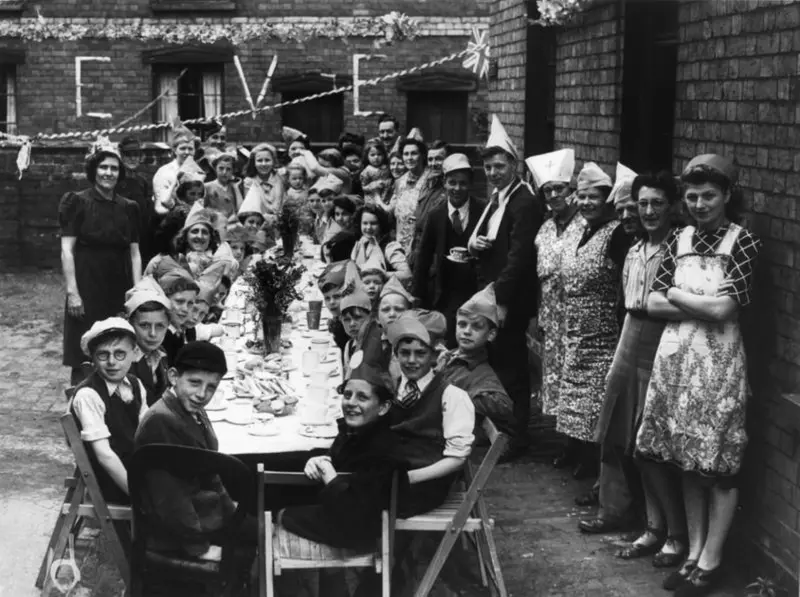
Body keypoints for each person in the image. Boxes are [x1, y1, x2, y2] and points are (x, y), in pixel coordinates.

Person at [636, 155, 761, 596]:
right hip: (676, 362)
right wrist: (692, 299)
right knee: (686, 459)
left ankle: (713, 558)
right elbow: (650, 305)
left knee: (719, 463)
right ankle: (692, 552)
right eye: (691, 196)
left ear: (727, 194)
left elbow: (726, 309)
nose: (699, 203)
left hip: (719, 364)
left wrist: (673, 291)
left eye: (709, 195)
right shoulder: (679, 237)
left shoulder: (741, 242)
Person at [582, 171, 687, 565]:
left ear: (672, 206)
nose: (648, 211)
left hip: (662, 344)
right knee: (622, 437)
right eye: (642, 203)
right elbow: (629, 305)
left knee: (653, 445)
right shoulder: (636, 250)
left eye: (657, 203)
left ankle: (673, 533)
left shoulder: (679, 248)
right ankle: (643, 523)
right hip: (631, 340)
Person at [134, 341, 258, 558]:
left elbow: (209, 468)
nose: (202, 394)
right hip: (173, 531)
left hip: (201, 509)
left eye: (211, 387)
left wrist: (231, 510)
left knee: (264, 529)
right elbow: (169, 495)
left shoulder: (190, 408)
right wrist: (199, 548)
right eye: (194, 382)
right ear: (173, 376)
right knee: (257, 544)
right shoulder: (161, 421)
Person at [467, 115, 545, 461]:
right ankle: (501, 429)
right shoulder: (501, 197)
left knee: (512, 369)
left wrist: (498, 301)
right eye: (488, 167)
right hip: (494, 297)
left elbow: (519, 259)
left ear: (513, 164)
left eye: (500, 166)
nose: (494, 173)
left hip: (508, 302)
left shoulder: (524, 202)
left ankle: (517, 435)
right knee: (497, 365)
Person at [279, 359, 406, 551]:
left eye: (362, 398)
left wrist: (329, 474)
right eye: (347, 395)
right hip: (340, 505)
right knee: (271, 467)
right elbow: (337, 460)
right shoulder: (358, 430)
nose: (351, 403)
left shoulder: (382, 450)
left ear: (383, 407)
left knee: (276, 510)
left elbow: (353, 513)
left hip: (357, 531)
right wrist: (317, 460)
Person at [557, 162, 632, 480]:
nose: (586, 203)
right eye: (582, 197)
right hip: (576, 327)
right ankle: (584, 458)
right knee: (579, 398)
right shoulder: (581, 228)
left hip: (604, 330)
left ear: (608, 200)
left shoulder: (616, 233)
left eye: (594, 198)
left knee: (599, 402)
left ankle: (601, 475)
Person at [60, 140, 142, 385]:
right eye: (103, 167)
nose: (108, 173)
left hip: (119, 284)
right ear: (94, 170)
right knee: (83, 351)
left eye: (114, 168)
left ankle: (115, 408)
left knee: (117, 345)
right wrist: (73, 292)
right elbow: (67, 250)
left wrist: (136, 293)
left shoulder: (130, 208)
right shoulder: (76, 202)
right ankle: (80, 406)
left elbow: (135, 253)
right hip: (87, 283)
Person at [527, 148, 581, 420]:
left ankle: (578, 444)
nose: (554, 196)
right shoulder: (546, 226)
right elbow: (540, 274)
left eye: (559, 189)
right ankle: (562, 437)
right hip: (550, 313)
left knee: (576, 377)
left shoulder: (584, 224)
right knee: (554, 375)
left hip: (577, 313)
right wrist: (538, 313)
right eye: (547, 191)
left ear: (570, 189)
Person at [70, 318, 148, 504]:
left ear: (135, 353)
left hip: (135, 466)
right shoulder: (89, 395)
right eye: (103, 355)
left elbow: (147, 430)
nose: (112, 362)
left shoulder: (135, 384)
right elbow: (104, 456)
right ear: (93, 358)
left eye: (120, 353)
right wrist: (138, 495)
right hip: (112, 480)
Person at [414, 153, 485, 348]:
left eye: (462, 183)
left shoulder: (483, 211)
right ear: (444, 183)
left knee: (473, 341)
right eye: (452, 183)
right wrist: (418, 296)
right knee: (447, 340)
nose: (457, 188)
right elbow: (424, 257)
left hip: (473, 290)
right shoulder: (436, 215)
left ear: (470, 184)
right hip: (445, 291)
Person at [437, 284, 514, 435]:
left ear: (491, 334)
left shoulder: (480, 372)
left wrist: (455, 395)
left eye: (476, 327)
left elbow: (504, 405)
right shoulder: (448, 356)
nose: (467, 331)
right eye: (462, 324)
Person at [125, 277, 172, 406]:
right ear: (131, 324)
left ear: (168, 325)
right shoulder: (125, 363)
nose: (152, 334)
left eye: (160, 326)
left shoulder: (160, 353)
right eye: (144, 325)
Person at [388, 129, 432, 255]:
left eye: (414, 153)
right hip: (401, 241)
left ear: (422, 155)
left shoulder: (430, 180)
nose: (409, 158)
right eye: (406, 154)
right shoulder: (399, 182)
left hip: (422, 242)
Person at [408, 140, 450, 270]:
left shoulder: (452, 188)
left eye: (439, 159)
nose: (433, 164)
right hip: (419, 248)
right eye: (430, 159)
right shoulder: (427, 183)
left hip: (439, 252)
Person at [117, 136, 155, 265]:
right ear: (121, 156)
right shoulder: (116, 181)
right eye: (128, 155)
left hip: (141, 233)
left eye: (136, 155)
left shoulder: (142, 181)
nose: (132, 158)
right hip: (122, 234)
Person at [350, 203, 411, 282]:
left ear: (381, 224)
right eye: (365, 223)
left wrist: (381, 275)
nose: (368, 227)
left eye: (373, 223)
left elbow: (407, 274)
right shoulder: (361, 243)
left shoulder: (389, 247)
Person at [157, 268, 200, 366]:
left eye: (190, 303)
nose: (185, 309)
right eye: (179, 302)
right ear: (164, 300)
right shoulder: (160, 337)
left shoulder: (184, 329)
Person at [152, 123, 198, 216]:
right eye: (183, 148)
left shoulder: (198, 172)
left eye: (190, 149)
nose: (187, 152)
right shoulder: (164, 172)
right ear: (174, 150)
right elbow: (159, 208)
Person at [241, 142, 284, 224]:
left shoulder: (281, 177)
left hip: (282, 224)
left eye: (267, 160)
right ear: (254, 163)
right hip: (259, 224)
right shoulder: (249, 182)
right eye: (259, 160)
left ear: (273, 161)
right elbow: (251, 208)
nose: (263, 164)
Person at [339, 290, 375, 376]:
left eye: (358, 317)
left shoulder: (378, 347)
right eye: (347, 319)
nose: (352, 324)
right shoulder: (350, 345)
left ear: (370, 318)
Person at [203, 150, 243, 218]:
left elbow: (241, 209)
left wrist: (236, 188)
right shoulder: (207, 186)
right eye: (221, 168)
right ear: (215, 168)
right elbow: (203, 208)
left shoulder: (234, 187)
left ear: (232, 171)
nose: (224, 172)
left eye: (228, 169)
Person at [360, 139, 392, 204]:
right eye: (372, 155)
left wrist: (388, 182)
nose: (376, 157)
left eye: (379, 154)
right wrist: (373, 185)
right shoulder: (367, 171)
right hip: (372, 199)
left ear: (384, 155)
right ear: (367, 156)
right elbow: (363, 187)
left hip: (386, 196)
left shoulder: (387, 168)